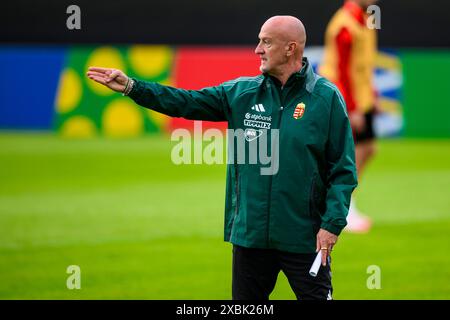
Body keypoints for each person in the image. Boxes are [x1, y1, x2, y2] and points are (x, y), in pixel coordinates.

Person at [87, 15, 357, 300]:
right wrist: (132, 87)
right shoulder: (242, 93)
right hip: (250, 237)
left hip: (304, 238)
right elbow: (185, 102)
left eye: (266, 42)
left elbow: (343, 170)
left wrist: (332, 225)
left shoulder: (325, 98)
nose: (257, 49)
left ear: (291, 48)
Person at [319, 0, 379, 233]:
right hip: (344, 96)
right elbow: (342, 69)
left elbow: (362, 64)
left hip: (359, 95)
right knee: (352, 155)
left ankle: (344, 203)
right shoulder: (344, 24)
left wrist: (371, 94)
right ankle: (341, 207)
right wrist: (351, 108)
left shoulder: (366, 18)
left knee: (367, 149)